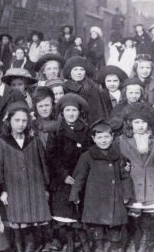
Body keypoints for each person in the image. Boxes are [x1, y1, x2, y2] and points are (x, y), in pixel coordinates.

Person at [0, 102, 51, 252]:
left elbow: (43, 164)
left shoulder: (34, 140)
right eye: (17, 120)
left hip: (34, 189)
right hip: (14, 189)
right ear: (9, 121)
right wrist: (3, 190)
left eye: (24, 121)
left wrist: (45, 188)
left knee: (32, 225)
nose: (20, 124)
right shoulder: (1, 141)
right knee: (18, 226)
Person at [70, 121, 133, 252]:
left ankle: (114, 247)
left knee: (115, 230)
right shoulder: (87, 156)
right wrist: (75, 194)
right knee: (97, 230)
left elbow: (125, 177)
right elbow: (79, 177)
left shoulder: (118, 156)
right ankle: (99, 248)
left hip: (114, 199)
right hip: (95, 201)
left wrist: (127, 194)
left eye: (106, 137)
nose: (103, 140)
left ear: (112, 137)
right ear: (93, 139)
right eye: (99, 137)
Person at [46, 94, 92, 252]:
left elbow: (88, 154)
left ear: (79, 113)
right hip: (61, 178)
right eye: (68, 110)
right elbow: (51, 156)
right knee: (62, 211)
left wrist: (79, 175)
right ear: (62, 112)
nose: (71, 113)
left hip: (79, 175)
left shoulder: (86, 131)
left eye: (74, 110)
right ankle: (63, 240)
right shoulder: (56, 130)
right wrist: (64, 175)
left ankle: (78, 240)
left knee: (76, 209)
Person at [117, 103, 154, 252]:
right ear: (130, 123)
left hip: (150, 183)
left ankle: (144, 243)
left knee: (147, 219)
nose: (141, 126)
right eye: (137, 122)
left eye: (144, 122)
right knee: (132, 216)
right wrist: (124, 167)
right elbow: (117, 160)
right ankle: (128, 241)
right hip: (132, 182)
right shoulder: (122, 141)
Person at [63, 56, 112, 125]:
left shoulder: (91, 88)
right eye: (75, 70)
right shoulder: (65, 87)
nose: (79, 73)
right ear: (70, 72)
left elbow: (97, 113)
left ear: (85, 72)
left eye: (81, 70)